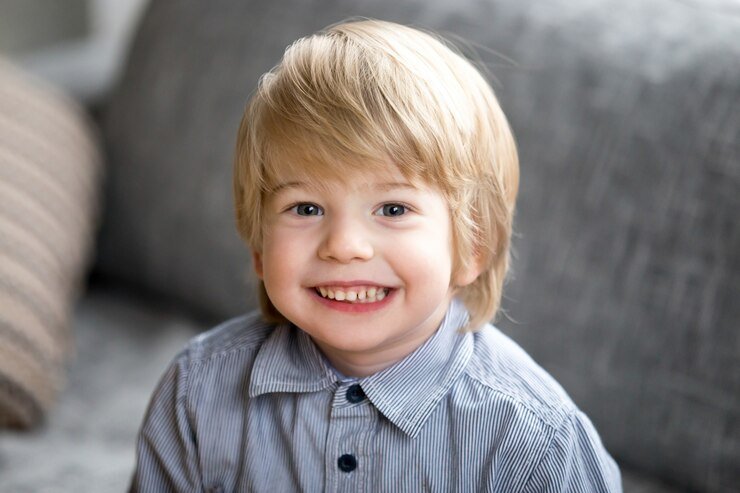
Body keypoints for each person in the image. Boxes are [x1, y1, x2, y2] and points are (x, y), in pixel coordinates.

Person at [129, 19, 621, 492]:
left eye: (392, 208)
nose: (344, 246)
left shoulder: (536, 442)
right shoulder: (196, 393)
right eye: (306, 207)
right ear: (259, 246)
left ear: (473, 246)